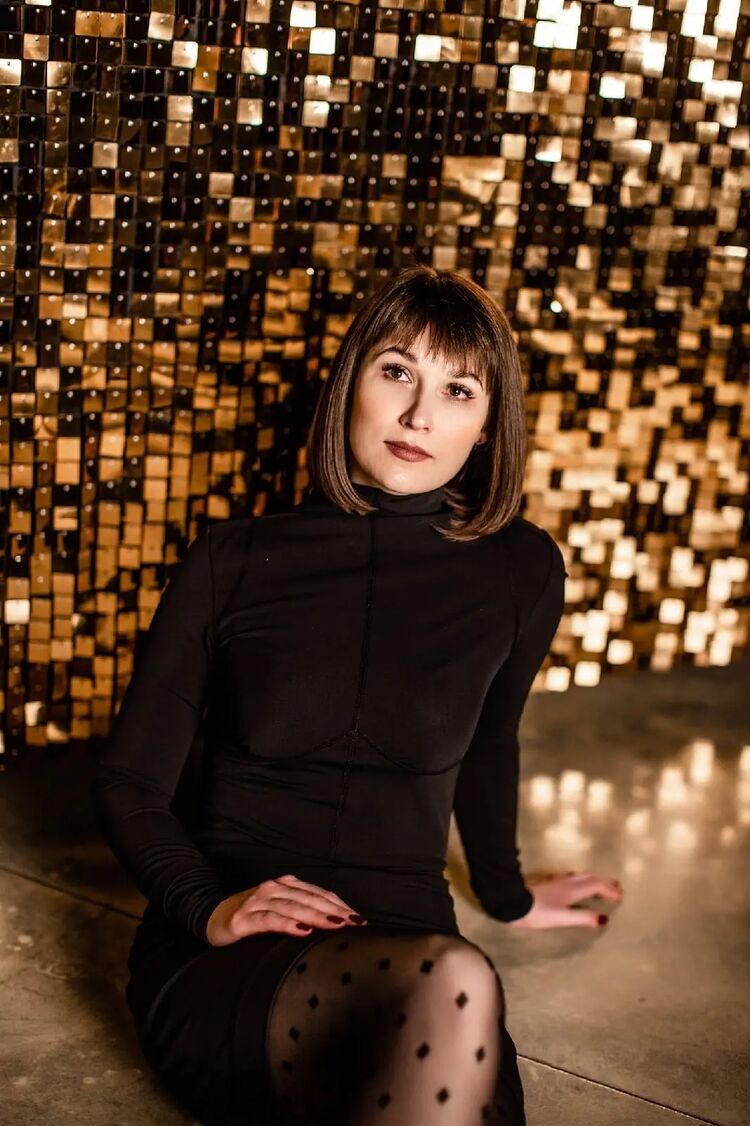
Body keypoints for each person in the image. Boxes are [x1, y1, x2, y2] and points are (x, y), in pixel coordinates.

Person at [91, 265, 623, 1126]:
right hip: (237, 947)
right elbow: (130, 782)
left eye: (457, 390)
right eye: (397, 371)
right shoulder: (232, 559)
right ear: (351, 384)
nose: (419, 416)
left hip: (412, 939)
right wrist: (209, 905)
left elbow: (490, 742)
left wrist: (510, 896)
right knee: (456, 983)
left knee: (451, 992)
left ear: (489, 426)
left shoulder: (521, 571)